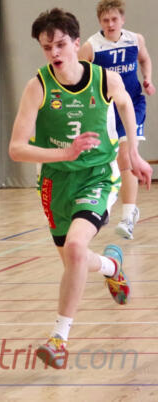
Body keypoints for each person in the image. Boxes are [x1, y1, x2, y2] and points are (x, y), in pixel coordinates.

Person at [8, 8, 152, 369]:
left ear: (76, 43)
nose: (54, 53)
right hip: (55, 182)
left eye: (60, 45)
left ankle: (59, 339)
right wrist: (64, 153)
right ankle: (111, 265)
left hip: (97, 176)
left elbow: (126, 105)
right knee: (75, 259)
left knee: (74, 248)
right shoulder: (38, 86)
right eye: (47, 48)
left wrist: (133, 153)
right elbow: (16, 148)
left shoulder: (104, 80)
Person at [79, 0, 155, 240]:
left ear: (122, 19)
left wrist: (147, 78)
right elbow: (80, 77)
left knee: (126, 156)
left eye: (114, 19)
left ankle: (128, 216)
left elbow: (145, 59)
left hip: (133, 104)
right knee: (107, 159)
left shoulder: (135, 39)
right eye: (105, 20)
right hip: (106, 109)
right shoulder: (91, 47)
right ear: (99, 22)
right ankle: (103, 206)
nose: (110, 24)